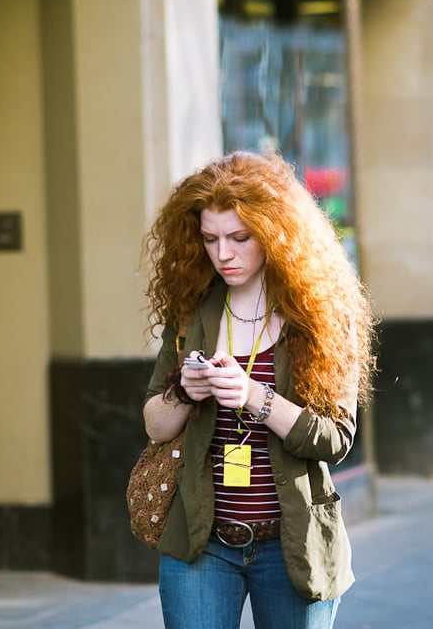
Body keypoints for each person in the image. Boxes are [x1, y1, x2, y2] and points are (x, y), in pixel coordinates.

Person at [139, 151, 377, 629]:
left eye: (239, 238)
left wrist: (255, 397)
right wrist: (185, 393)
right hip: (200, 543)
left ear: (275, 233)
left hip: (292, 545)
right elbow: (154, 425)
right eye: (210, 239)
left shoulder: (322, 316)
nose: (222, 253)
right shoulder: (192, 311)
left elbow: (335, 440)